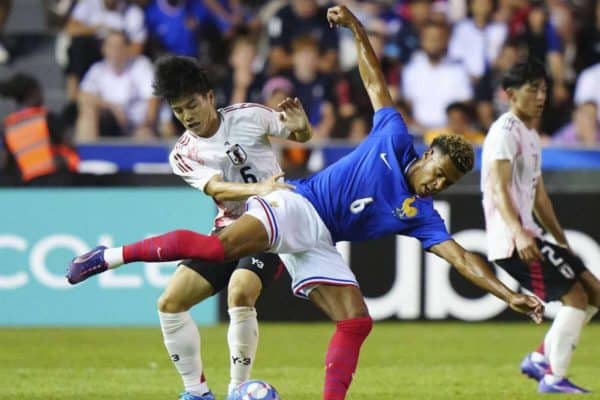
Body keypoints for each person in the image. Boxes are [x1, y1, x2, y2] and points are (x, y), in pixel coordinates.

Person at [68, 6, 544, 400]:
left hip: (316, 239)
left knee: (356, 321)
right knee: (216, 252)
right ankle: (108, 256)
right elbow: (374, 80)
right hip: (293, 204)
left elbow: (460, 257)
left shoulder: (420, 215)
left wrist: (508, 295)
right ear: (424, 155)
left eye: (448, 181)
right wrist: (357, 28)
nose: (437, 183)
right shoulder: (393, 134)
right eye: (437, 171)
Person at [70, 55, 313, 400]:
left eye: (192, 105)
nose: (187, 117)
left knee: (240, 290)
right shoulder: (183, 153)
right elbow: (217, 189)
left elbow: (300, 135)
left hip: (272, 224)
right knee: (170, 302)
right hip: (228, 231)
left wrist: (302, 127)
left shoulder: (249, 116)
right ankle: (197, 393)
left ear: (210, 97)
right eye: (178, 111)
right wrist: (260, 187)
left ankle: (237, 389)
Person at [480, 59, 600, 394]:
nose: (541, 96)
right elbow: (498, 188)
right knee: (575, 296)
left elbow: (538, 195)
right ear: (510, 94)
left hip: (531, 232)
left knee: (594, 291)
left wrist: (560, 240)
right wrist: (518, 232)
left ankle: (539, 358)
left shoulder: (530, 134)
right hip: (511, 239)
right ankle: (553, 377)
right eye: (533, 89)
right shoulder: (504, 132)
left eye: (544, 89)